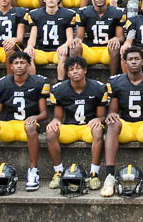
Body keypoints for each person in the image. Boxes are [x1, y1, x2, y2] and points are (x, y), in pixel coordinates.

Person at [0, 51, 50, 192]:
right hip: (9, 125)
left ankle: (33, 171)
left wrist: (35, 117)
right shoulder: (3, 84)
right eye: (16, 63)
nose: (19, 66)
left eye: (22, 63)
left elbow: (44, 113)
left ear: (28, 65)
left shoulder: (38, 82)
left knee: (31, 127)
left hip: (27, 126)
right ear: (11, 66)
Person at [102, 47, 143, 197]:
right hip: (126, 125)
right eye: (130, 59)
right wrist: (111, 115)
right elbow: (113, 110)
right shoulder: (117, 82)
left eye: (137, 59)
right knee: (112, 124)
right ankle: (109, 176)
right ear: (124, 62)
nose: (134, 62)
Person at [46, 56, 108, 190]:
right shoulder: (60, 89)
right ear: (67, 73)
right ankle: (58, 172)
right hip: (69, 127)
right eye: (71, 69)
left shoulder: (97, 88)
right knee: (50, 132)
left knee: (98, 130)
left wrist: (98, 119)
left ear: (85, 70)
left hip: (88, 127)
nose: (75, 71)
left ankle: (94, 173)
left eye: (78, 68)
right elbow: (58, 117)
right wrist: (55, 121)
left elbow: (102, 116)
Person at [71, 0, 126, 75]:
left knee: (114, 46)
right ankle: (77, 78)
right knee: (75, 46)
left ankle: (113, 79)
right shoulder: (84, 12)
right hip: (90, 50)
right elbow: (79, 36)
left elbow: (120, 37)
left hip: (107, 50)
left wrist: (116, 39)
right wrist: (77, 39)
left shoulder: (116, 12)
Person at [25, 0, 76, 67]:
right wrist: (29, 46)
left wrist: (65, 45)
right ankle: (33, 79)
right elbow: (32, 37)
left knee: (62, 55)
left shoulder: (67, 15)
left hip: (58, 50)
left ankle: (60, 80)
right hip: (41, 51)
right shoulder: (36, 15)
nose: (51, 0)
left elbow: (70, 37)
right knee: (28, 55)